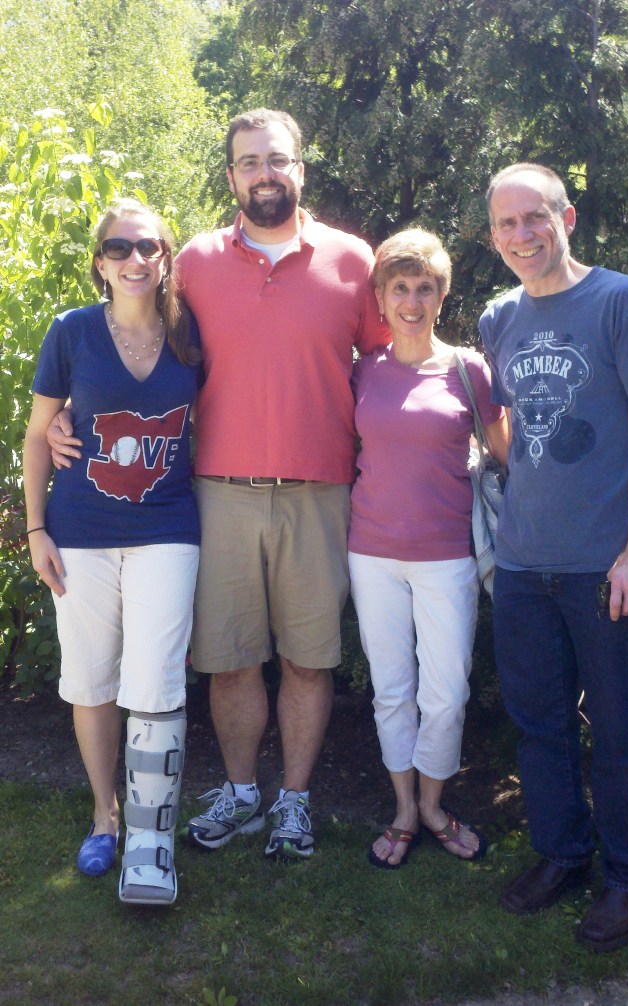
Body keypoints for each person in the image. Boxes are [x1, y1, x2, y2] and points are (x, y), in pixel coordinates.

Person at [48, 109, 387, 860]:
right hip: (219, 491)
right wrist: (71, 415)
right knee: (230, 659)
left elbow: (394, 359)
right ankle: (240, 792)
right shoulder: (194, 262)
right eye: (248, 163)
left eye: (277, 159)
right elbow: (132, 336)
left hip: (320, 490)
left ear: (301, 166)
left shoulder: (354, 261)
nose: (264, 174)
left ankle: (294, 801)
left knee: (307, 658)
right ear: (231, 175)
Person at [479, 163, 628, 951]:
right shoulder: (498, 318)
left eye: (536, 218)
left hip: (606, 566)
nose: (522, 236)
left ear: (568, 216)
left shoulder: (621, 302)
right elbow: (504, 430)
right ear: (492, 237)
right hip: (524, 567)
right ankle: (562, 854)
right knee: (540, 725)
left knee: (622, 729)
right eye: (506, 225)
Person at [24, 199, 201, 904]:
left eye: (149, 247)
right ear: (100, 263)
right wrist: (35, 529)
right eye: (119, 248)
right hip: (80, 533)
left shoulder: (192, 339)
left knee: (156, 681)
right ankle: (107, 817)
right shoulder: (71, 333)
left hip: (167, 526)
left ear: (166, 259)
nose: (135, 260)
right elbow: (40, 435)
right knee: (92, 679)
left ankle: (153, 839)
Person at [348, 229, 509, 868]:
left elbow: (506, 456)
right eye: (399, 288)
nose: (412, 301)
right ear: (381, 298)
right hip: (372, 553)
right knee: (391, 690)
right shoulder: (362, 369)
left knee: (446, 692)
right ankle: (404, 810)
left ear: (441, 295)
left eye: (425, 288)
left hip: (448, 556)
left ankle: (436, 804)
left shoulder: (470, 370)